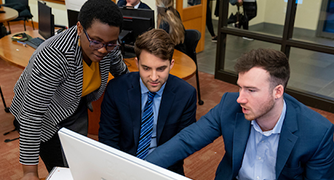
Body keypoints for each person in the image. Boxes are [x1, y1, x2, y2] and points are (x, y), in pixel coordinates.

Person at [146, 48, 334, 179]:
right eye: (240, 88)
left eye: (251, 90)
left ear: (278, 91)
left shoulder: (317, 133)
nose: (240, 98)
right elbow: (186, 140)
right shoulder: (230, 104)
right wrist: (139, 168)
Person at [9, 0, 129, 179]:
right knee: (61, 167)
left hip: (74, 105)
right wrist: (29, 172)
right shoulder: (54, 56)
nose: (103, 50)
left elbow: (122, 73)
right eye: (96, 41)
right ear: (79, 28)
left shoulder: (108, 46)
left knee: (77, 165)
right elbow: (31, 115)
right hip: (43, 117)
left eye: (111, 43)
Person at [98, 29, 197, 175]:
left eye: (161, 68)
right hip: (124, 166)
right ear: (137, 63)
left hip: (165, 168)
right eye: (146, 68)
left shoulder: (186, 94)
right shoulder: (116, 89)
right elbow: (108, 138)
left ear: (171, 64)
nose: (154, 77)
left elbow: (182, 144)